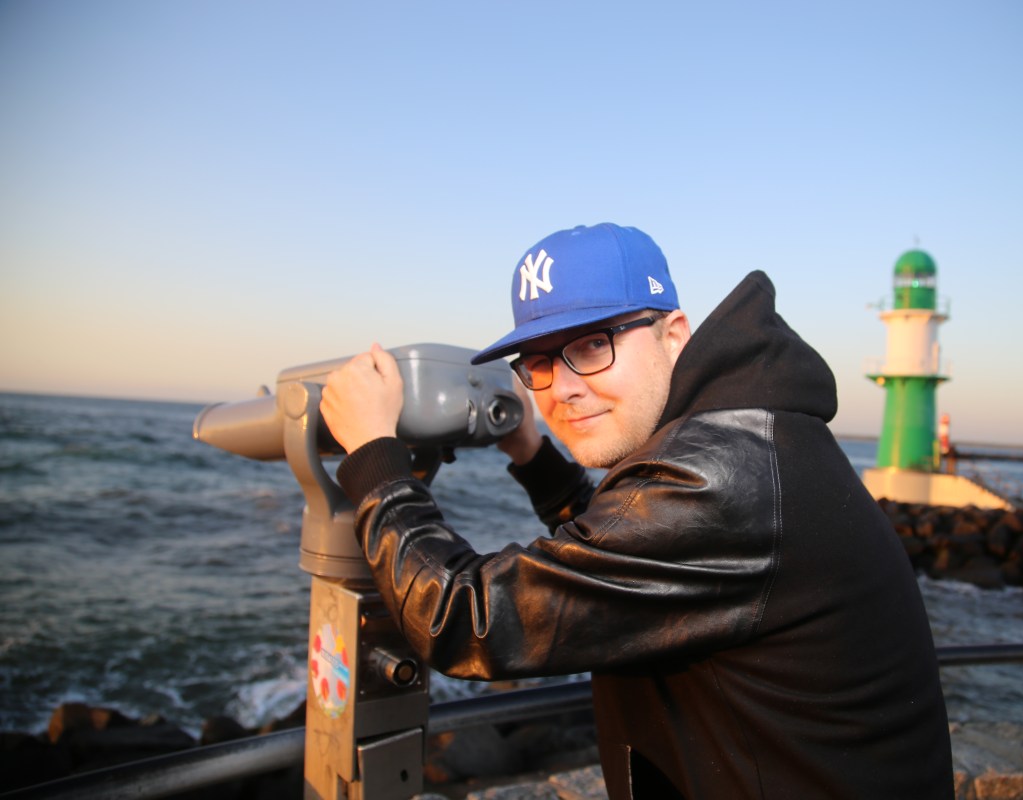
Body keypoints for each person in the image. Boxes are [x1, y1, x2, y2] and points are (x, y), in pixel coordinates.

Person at [320, 223, 954, 799]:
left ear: (672, 336)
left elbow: (467, 620)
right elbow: (619, 551)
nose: (563, 389)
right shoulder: (744, 438)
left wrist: (373, 454)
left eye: (592, 346)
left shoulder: (718, 477)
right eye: (538, 364)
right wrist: (531, 451)